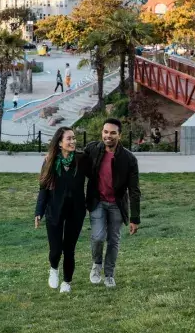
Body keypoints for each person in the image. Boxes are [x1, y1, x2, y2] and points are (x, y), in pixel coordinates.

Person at [83, 118, 141, 288]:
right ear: (102, 133)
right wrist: (54, 154)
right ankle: (96, 265)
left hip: (117, 204)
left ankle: (109, 274)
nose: (108, 136)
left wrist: (135, 218)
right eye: (106, 132)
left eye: (113, 133)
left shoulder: (129, 159)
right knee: (98, 236)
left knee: (113, 240)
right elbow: (75, 159)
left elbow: (134, 190)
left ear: (119, 135)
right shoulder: (93, 149)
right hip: (97, 201)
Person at [34, 126, 88, 293]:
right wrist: (39, 211)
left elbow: (96, 152)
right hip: (54, 210)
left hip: (76, 211)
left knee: (69, 249)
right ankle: (53, 269)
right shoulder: (50, 161)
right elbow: (43, 187)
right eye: (69, 139)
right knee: (56, 249)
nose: (73, 141)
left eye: (74, 138)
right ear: (59, 143)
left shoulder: (81, 159)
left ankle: (67, 281)